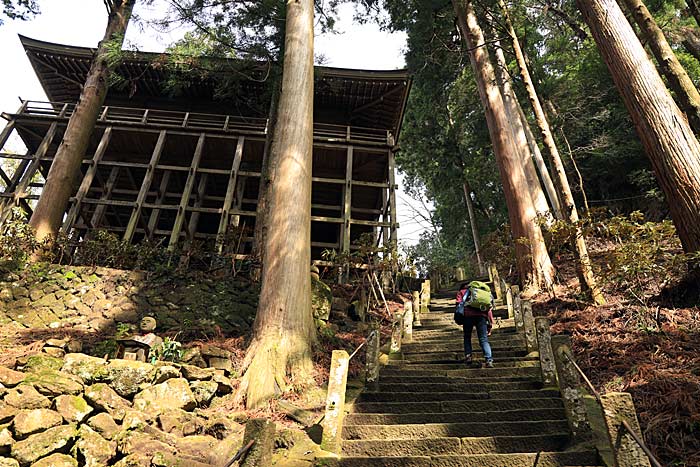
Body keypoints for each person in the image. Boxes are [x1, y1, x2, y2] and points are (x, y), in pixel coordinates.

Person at [456, 282, 494, 368]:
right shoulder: (483, 293)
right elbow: (489, 309)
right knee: (483, 339)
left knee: (467, 337)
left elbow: (458, 304)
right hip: (482, 316)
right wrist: (490, 324)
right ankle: (489, 360)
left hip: (467, 316)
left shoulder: (462, 292)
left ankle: (468, 356)